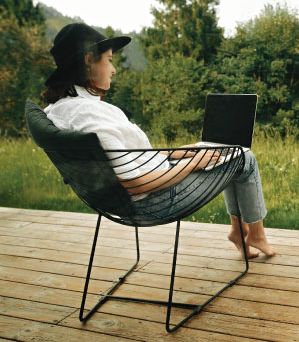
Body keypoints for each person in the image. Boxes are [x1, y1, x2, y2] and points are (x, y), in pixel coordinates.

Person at [41, 23, 275, 258]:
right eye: (109, 60)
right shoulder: (90, 117)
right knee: (244, 156)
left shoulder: (60, 110)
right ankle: (255, 234)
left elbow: (125, 159)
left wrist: (175, 153)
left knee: (223, 154)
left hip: (137, 193)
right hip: (154, 201)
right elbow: (136, 183)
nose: (113, 70)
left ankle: (239, 231)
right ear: (88, 61)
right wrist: (193, 163)